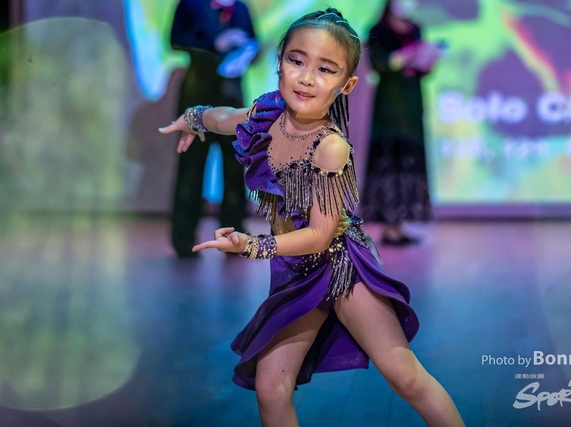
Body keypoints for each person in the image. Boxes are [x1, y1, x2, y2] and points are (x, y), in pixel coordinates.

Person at [160, 8, 464, 426]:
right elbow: (227, 119)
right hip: (294, 270)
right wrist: (194, 117)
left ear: (346, 84)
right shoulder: (267, 114)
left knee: (405, 377)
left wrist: (252, 245)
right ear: (279, 62)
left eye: (325, 69)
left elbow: (320, 236)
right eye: (296, 60)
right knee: (271, 387)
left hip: (342, 269)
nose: (306, 78)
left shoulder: (329, 147)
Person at [169, 0, 258, 257]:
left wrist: (247, 49)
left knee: (234, 168)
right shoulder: (191, 4)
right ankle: (184, 238)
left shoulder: (240, 8)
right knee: (192, 167)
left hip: (232, 98)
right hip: (198, 97)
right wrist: (216, 43)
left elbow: (254, 43)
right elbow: (175, 40)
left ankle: (234, 235)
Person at [360, 0, 440, 245]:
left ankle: (402, 223)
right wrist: (405, 56)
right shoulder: (378, 30)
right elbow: (378, 65)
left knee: (409, 160)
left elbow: (423, 71)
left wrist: (427, 58)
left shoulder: (415, 29)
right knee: (389, 159)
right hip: (389, 107)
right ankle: (389, 226)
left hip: (411, 105)